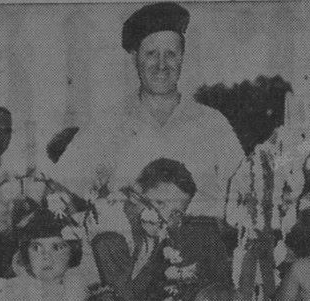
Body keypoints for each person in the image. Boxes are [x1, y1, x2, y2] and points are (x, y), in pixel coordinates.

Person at [53, 2, 244, 218]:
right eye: (151, 53)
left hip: (201, 247)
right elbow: (61, 192)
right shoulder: (107, 124)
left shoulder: (212, 123)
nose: (161, 64)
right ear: (135, 58)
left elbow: (244, 193)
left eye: (171, 54)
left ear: (182, 57)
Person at [91, 158, 229, 301]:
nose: (164, 217)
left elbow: (147, 289)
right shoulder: (112, 236)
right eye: (160, 203)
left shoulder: (155, 234)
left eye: (175, 213)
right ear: (135, 195)